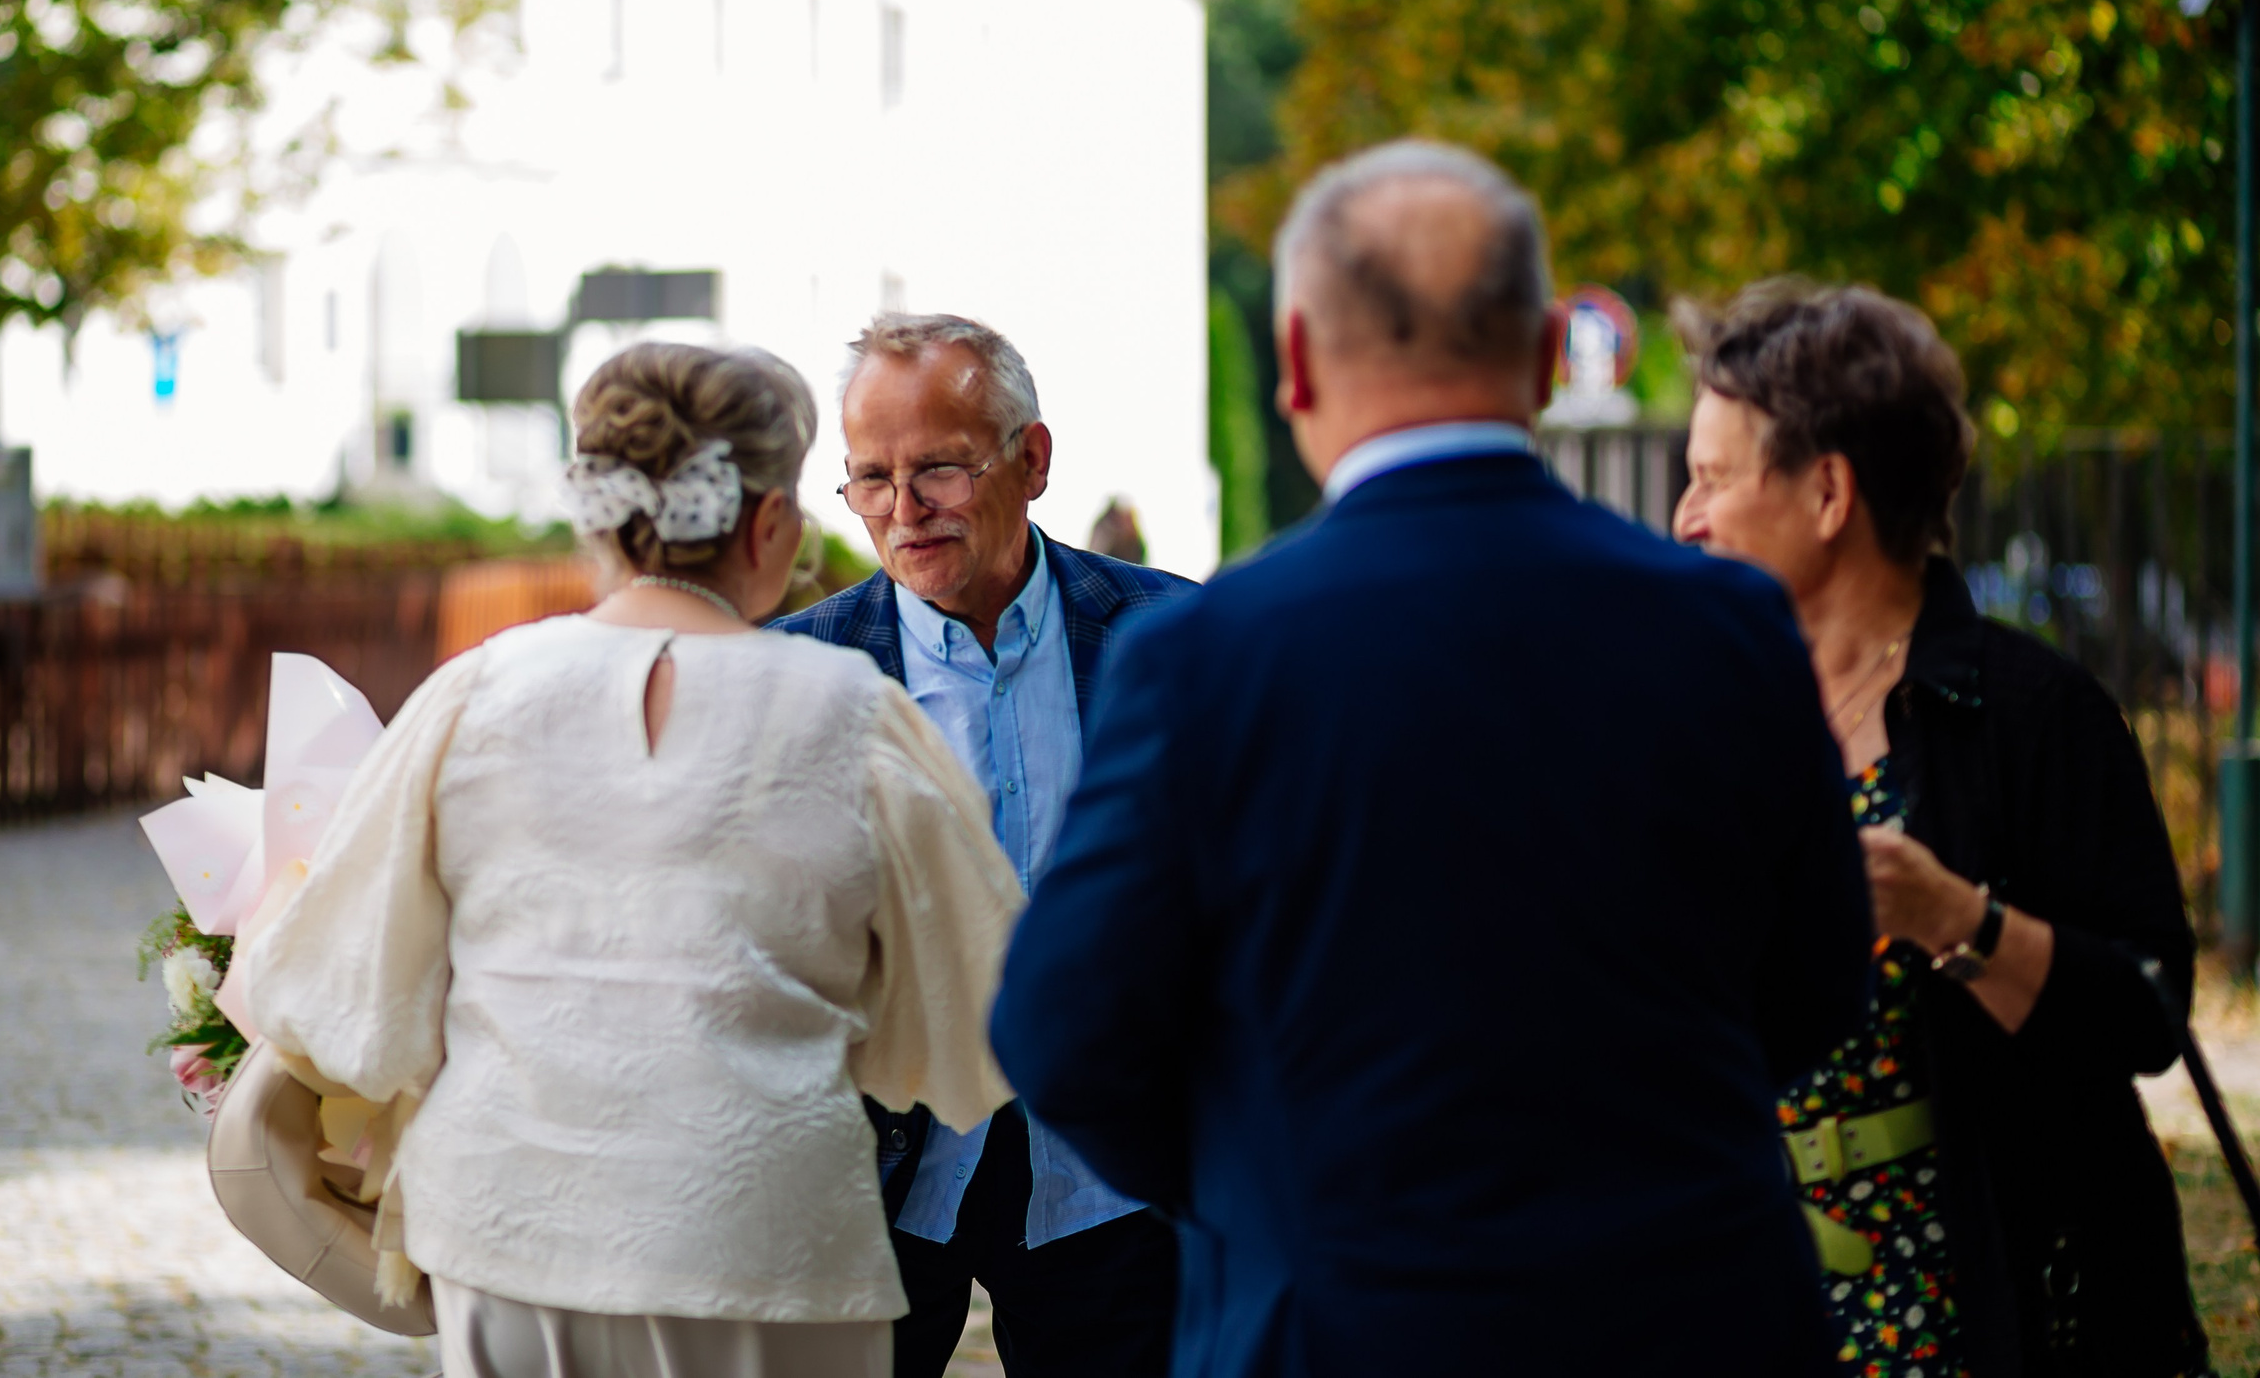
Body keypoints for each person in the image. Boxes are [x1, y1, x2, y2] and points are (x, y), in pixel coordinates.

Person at [989, 139, 1874, 1377]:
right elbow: (1821, 978)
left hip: (1340, 1315)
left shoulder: (1203, 658)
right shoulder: (1722, 625)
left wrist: (1261, 1181)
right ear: (1539, 355)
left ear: (1293, 363)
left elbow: (1061, 1027)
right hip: (1689, 1307)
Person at [242, 342, 1027, 1378]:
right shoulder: (855, 720)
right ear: (772, 524)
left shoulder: (472, 699)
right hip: (766, 1240)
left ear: (594, 517)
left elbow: (330, 997)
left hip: (512, 1236)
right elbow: (980, 1019)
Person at [1672, 281, 2207, 1377]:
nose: (1685, 518)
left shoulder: (2030, 715)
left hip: (1992, 1318)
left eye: (1711, 479)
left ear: (1827, 493)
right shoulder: (1702, 718)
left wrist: (1952, 918)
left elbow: (2147, 1010)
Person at [772, 311, 1192, 1378]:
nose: (902, 512)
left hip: (1110, 1174)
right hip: (873, 1178)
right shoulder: (790, 677)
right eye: (871, 479)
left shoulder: (1172, 642)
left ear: (1032, 460)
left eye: (940, 471)